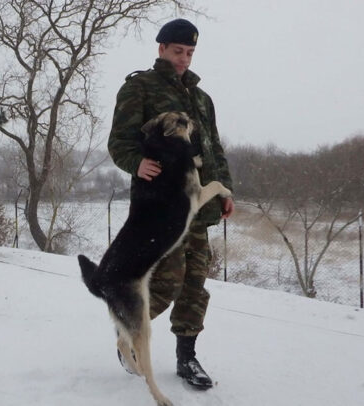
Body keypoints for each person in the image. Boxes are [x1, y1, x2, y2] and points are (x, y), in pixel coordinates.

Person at [107, 18, 234, 389]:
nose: (184, 59)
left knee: (195, 283)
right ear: (161, 47)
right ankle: (128, 333)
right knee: (168, 281)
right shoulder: (140, 87)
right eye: (178, 51)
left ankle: (187, 357)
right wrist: (136, 163)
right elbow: (120, 141)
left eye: (190, 52)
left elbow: (213, 148)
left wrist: (224, 191)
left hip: (197, 204)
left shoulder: (201, 98)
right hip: (161, 204)